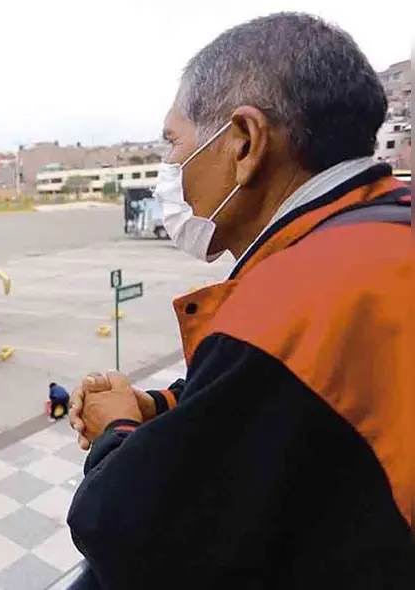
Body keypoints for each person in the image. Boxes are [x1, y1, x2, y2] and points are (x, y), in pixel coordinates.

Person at [65, 13, 412, 590]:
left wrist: (118, 429)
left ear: (245, 143)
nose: (167, 173)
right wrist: (160, 409)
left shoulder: (297, 301)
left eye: (173, 142)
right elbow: (282, 420)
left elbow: (133, 534)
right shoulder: (381, 233)